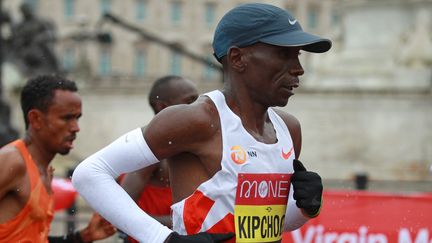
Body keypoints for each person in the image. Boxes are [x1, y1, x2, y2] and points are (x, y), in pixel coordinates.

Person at [72, 3, 331, 243]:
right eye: (284, 56)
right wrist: (163, 238)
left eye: (297, 56)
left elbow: (267, 226)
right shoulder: (198, 120)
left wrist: (303, 208)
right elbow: (90, 173)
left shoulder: (289, 129)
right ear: (238, 58)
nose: (298, 68)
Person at [0, 75, 116, 242]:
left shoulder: (46, 171)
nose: (76, 128)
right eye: (67, 118)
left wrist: (83, 236)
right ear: (36, 119)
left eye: (77, 118)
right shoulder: (12, 161)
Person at [119, 75, 199, 242]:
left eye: (198, 101)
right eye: (190, 101)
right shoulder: (150, 149)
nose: (198, 108)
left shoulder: (195, 143)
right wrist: (179, 223)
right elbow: (120, 210)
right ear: (163, 107)